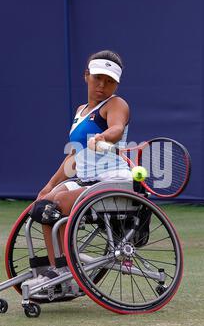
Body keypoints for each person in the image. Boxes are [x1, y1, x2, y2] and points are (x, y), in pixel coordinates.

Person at [23, 50, 132, 288]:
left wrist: (103, 136)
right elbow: (73, 158)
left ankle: (65, 272)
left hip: (111, 180)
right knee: (43, 206)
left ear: (117, 84)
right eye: (97, 78)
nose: (102, 85)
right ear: (86, 76)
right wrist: (49, 184)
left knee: (57, 204)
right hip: (86, 179)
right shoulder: (80, 111)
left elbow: (116, 128)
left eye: (110, 81)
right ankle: (57, 271)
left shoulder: (116, 104)